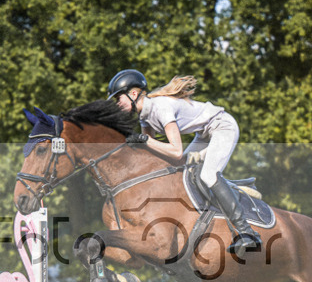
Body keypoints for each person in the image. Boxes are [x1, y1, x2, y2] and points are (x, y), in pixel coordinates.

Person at [105, 69, 262, 256]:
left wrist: (143, 140)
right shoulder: (144, 117)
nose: (117, 104)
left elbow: (176, 151)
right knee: (178, 172)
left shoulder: (161, 107)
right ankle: (232, 188)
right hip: (204, 134)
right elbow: (156, 154)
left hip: (222, 126)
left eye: (118, 99)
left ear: (133, 93)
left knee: (208, 175)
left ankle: (247, 232)